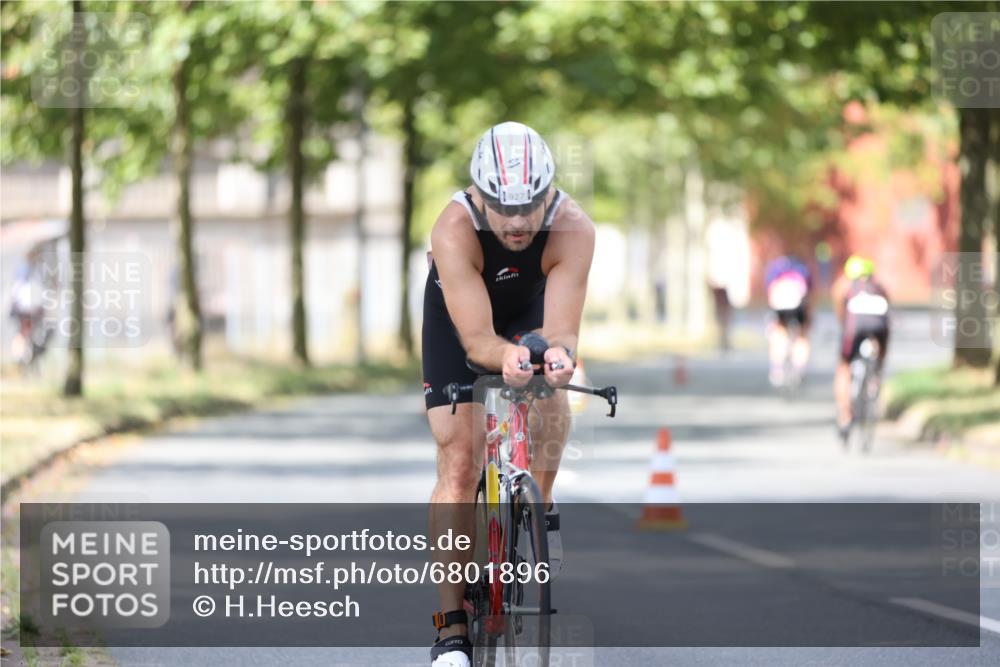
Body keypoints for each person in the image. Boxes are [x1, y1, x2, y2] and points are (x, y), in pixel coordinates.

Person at [422, 122, 595, 667]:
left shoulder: (573, 228)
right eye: (502, 206)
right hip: (462, 319)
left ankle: (536, 499)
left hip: (531, 313)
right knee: (459, 458)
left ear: (550, 194)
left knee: (549, 386)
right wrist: (504, 359)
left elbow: (563, 331)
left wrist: (558, 356)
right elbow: (476, 343)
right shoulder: (453, 228)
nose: (518, 221)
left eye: (531, 205)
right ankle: (451, 630)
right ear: (478, 194)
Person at [831, 255, 891, 440]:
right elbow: (888, 308)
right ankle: (875, 379)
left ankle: (845, 415)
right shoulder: (878, 286)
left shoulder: (846, 285)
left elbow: (840, 309)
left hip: (854, 328)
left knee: (844, 367)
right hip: (879, 329)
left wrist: (844, 323)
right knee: (880, 352)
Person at [763, 254, 813, 387]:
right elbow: (809, 294)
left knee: (778, 332)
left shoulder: (775, 269)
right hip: (798, 304)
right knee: (802, 336)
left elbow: (769, 291)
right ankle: (800, 367)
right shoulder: (802, 269)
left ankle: (777, 369)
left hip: (779, 303)